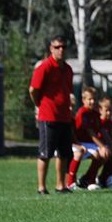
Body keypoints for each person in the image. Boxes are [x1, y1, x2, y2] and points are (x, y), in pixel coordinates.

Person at [28, 35, 74, 194]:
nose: (61, 50)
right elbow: (33, 90)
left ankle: (61, 185)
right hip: (48, 117)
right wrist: (39, 105)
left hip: (64, 117)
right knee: (45, 153)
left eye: (63, 47)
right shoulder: (45, 67)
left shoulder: (68, 69)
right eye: (57, 47)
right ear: (51, 49)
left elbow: (68, 91)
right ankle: (41, 187)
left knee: (64, 153)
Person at [68, 86, 107, 191]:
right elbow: (89, 133)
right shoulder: (82, 113)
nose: (92, 101)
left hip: (87, 143)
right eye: (90, 99)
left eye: (94, 99)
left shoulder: (95, 114)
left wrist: (108, 145)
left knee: (104, 154)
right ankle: (70, 182)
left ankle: (88, 179)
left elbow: (99, 130)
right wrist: (102, 146)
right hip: (80, 142)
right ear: (83, 100)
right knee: (87, 153)